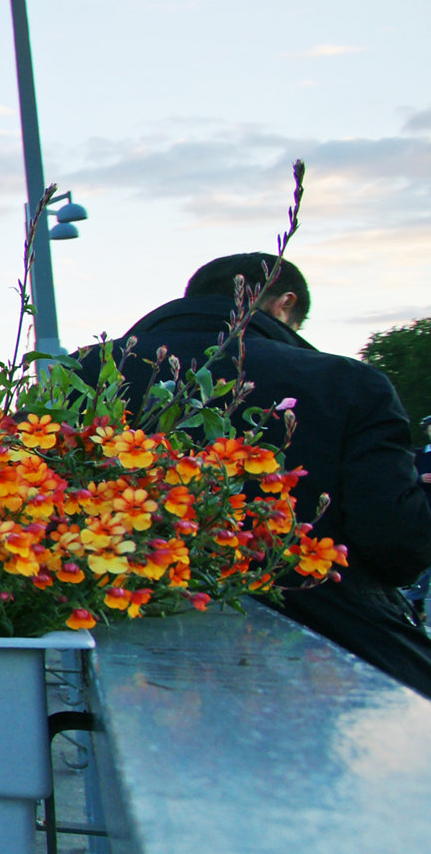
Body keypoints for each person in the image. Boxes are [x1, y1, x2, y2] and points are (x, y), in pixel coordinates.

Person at [101, 254, 431, 695]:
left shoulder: (88, 371)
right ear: (283, 304)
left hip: (112, 640)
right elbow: (394, 543)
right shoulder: (348, 383)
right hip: (329, 653)